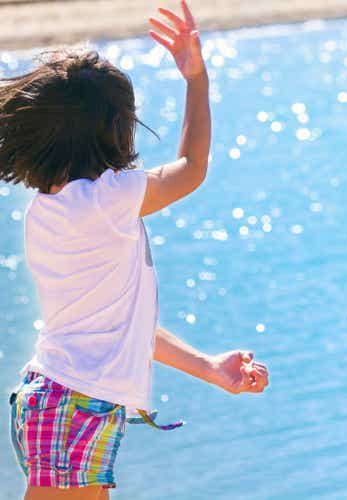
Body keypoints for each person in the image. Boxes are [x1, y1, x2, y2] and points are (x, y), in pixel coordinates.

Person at [2, 2, 269, 498]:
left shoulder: (50, 209)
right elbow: (191, 166)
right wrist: (196, 79)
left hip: (59, 401)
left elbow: (124, 327)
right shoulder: (109, 199)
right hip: (73, 407)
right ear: (116, 129)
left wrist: (208, 367)